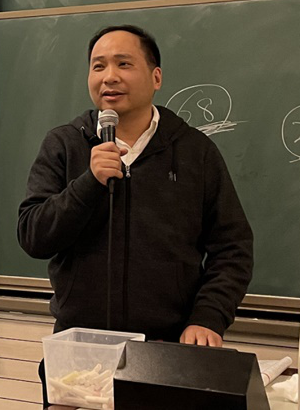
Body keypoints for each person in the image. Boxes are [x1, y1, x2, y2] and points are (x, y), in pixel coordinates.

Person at [18, 25, 254, 403]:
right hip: (79, 354)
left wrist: (208, 316)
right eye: (98, 66)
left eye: (124, 64)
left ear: (156, 77)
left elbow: (233, 247)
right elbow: (33, 235)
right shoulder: (64, 144)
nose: (109, 76)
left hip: (167, 354)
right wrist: (89, 183)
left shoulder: (195, 151)